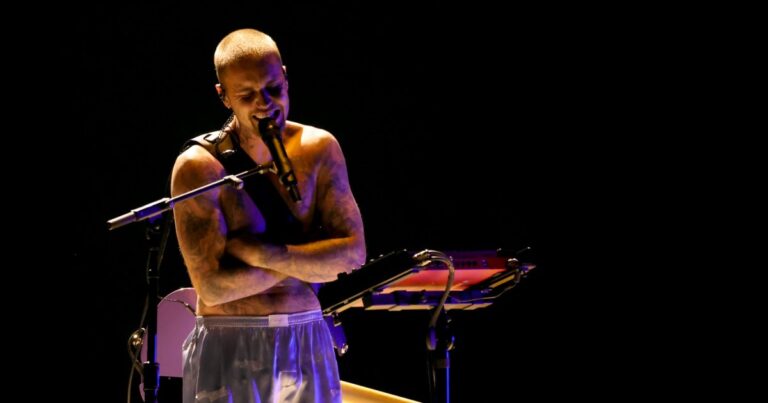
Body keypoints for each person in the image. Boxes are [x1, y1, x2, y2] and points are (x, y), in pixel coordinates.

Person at [171, 28, 366, 403]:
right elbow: (212, 288)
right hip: (229, 338)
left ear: (286, 77)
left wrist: (262, 254)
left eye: (274, 88)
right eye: (247, 96)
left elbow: (353, 255)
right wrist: (311, 263)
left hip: (305, 332)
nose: (264, 104)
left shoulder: (320, 148)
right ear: (223, 95)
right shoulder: (199, 167)